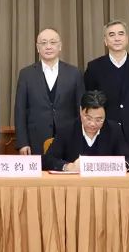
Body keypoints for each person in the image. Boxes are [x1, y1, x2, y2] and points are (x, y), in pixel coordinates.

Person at [84, 20, 129, 172]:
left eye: (121, 34)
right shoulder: (94, 67)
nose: (117, 38)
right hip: (104, 135)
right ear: (105, 41)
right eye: (111, 35)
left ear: (127, 38)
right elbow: (89, 102)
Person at [14, 28, 85, 156]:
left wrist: (80, 139)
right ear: (37, 48)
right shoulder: (26, 74)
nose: (48, 47)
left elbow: (80, 109)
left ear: (60, 46)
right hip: (35, 139)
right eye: (43, 43)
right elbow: (20, 110)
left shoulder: (74, 73)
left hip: (68, 138)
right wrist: (22, 142)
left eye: (53, 42)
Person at [43, 90, 129, 172]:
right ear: (81, 110)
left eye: (99, 120)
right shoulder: (66, 130)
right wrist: (68, 166)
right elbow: (47, 160)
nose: (92, 124)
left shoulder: (114, 130)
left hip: (104, 182)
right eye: (88, 118)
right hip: (75, 182)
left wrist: (117, 166)